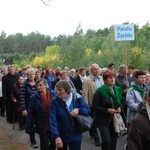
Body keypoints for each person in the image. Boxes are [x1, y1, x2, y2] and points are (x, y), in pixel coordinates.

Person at [50, 80, 91, 150]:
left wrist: (78, 110)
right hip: (61, 134)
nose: (57, 92)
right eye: (57, 90)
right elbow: (52, 119)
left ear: (67, 90)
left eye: (60, 90)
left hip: (75, 133)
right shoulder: (55, 101)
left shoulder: (77, 98)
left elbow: (87, 110)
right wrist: (56, 136)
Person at [92, 70, 122, 150]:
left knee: (113, 140)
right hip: (103, 120)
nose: (112, 79)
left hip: (114, 119)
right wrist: (107, 110)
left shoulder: (118, 89)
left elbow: (119, 102)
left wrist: (119, 108)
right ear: (105, 80)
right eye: (109, 78)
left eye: (113, 77)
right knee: (106, 141)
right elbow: (94, 106)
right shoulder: (100, 91)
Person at [26, 78, 56, 150]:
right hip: (42, 124)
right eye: (37, 85)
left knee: (53, 143)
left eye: (40, 85)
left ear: (45, 85)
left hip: (53, 123)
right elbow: (30, 113)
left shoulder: (53, 94)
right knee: (44, 144)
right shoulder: (34, 97)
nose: (39, 87)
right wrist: (28, 126)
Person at [82, 63, 104, 146]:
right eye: (95, 69)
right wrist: (86, 105)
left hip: (102, 104)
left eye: (98, 69)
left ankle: (92, 131)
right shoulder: (87, 80)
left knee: (99, 122)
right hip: (92, 105)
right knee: (93, 122)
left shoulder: (101, 79)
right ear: (91, 70)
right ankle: (97, 138)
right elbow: (85, 94)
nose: (97, 70)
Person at [20, 67, 38, 148]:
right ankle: (33, 141)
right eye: (30, 74)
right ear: (27, 75)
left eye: (33, 74)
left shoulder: (38, 83)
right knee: (31, 125)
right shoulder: (25, 85)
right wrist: (23, 109)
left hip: (38, 108)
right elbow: (22, 97)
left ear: (35, 75)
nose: (31, 75)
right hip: (29, 108)